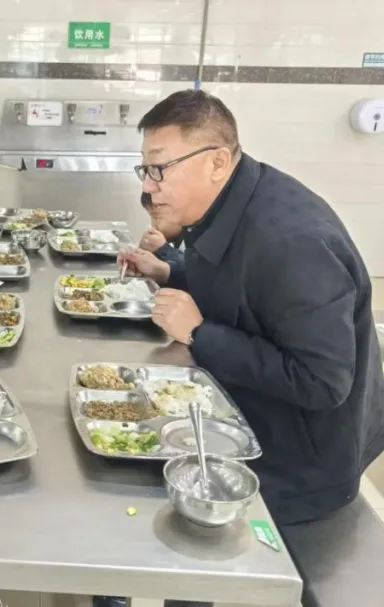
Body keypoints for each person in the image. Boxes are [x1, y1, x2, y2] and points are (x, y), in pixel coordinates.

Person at [118, 90, 384, 529]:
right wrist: (170, 272)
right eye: (145, 169)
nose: (148, 186)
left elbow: (322, 381)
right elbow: (243, 293)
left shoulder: (293, 242)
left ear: (217, 162)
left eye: (160, 168)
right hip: (250, 417)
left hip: (300, 464)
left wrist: (200, 334)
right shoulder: (227, 203)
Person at [138, 192, 183, 268]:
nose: (154, 227)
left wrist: (163, 249)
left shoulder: (195, 239)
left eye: (157, 218)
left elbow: (191, 268)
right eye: (152, 218)